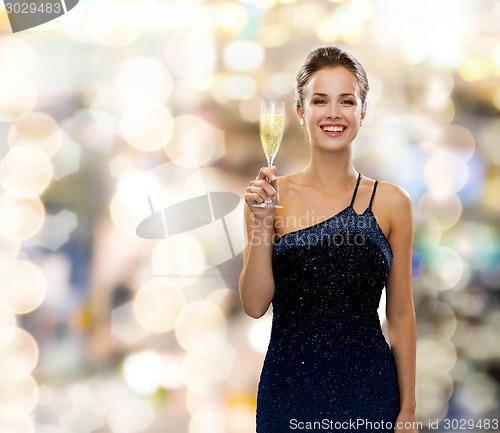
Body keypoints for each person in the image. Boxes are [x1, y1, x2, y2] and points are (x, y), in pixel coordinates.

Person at [239, 46, 417, 433]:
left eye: (347, 101)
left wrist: (408, 411)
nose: (333, 113)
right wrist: (261, 222)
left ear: (362, 112)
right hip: (288, 396)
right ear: (301, 112)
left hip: (370, 394)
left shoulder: (392, 203)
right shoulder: (268, 198)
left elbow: (400, 313)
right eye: (320, 100)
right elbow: (254, 305)